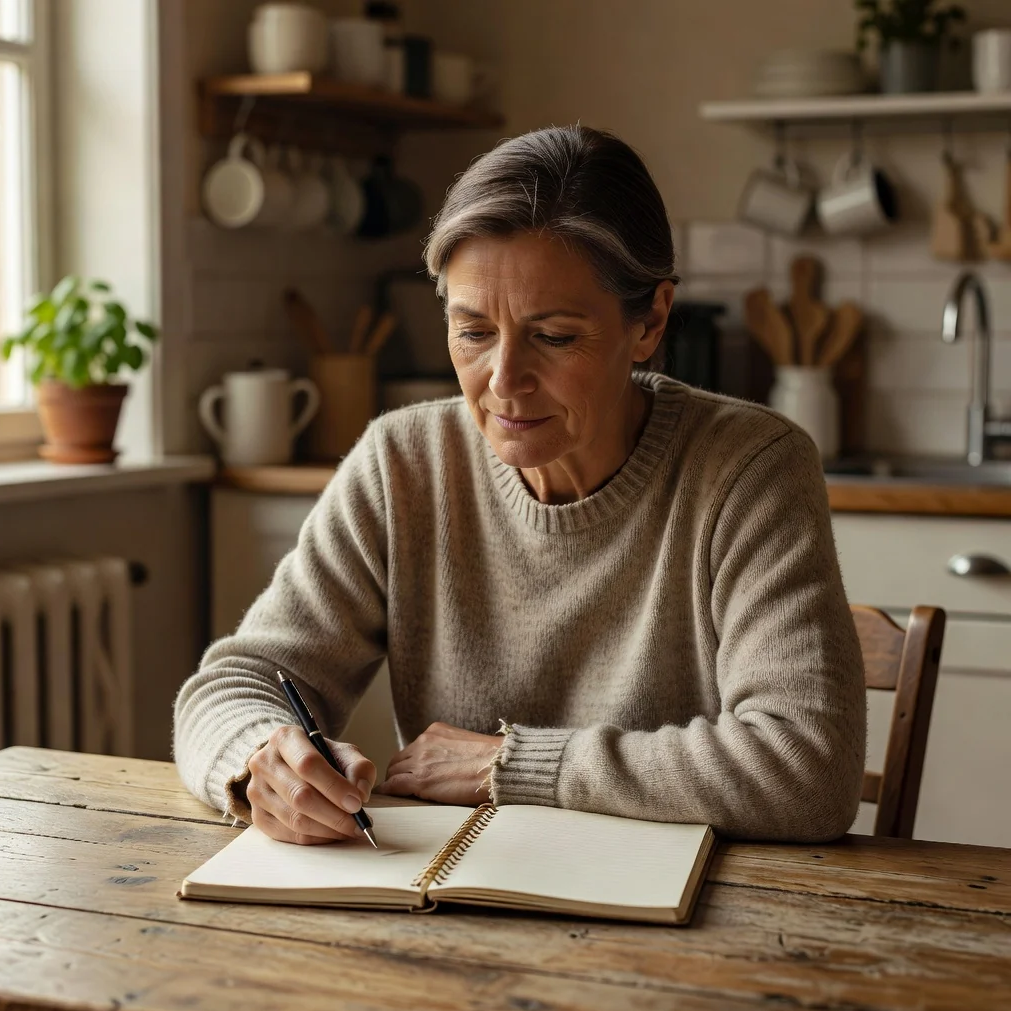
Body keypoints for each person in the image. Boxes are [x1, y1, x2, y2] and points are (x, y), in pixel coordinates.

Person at [173, 125, 866, 847]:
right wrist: (262, 760)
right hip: (458, 915)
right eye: (472, 333)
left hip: (694, 919)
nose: (503, 383)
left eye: (556, 337)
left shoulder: (752, 468)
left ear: (651, 320)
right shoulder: (404, 462)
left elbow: (806, 768)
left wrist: (514, 764)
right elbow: (232, 684)